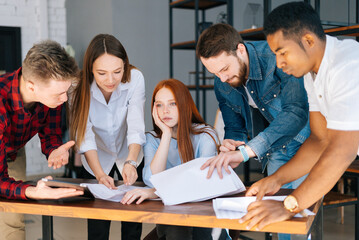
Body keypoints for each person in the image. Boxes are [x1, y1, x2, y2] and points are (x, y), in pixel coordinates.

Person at [239, 1, 359, 230]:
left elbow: (342, 150)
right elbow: (319, 140)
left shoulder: (347, 66)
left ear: (308, 41)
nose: (279, 63)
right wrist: (276, 179)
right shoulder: (312, 74)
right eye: (275, 54)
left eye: (282, 52)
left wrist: (288, 205)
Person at [196, 23, 310, 189]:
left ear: (240, 50)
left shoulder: (276, 58)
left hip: (306, 141)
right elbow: (234, 127)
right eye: (215, 73)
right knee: (278, 207)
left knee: (305, 207)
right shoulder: (222, 81)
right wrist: (231, 146)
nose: (222, 78)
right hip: (276, 146)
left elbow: (295, 113)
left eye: (225, 68)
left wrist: (246, 152)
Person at [0, 40, 83, 240]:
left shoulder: (50, 97)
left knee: (12, 217)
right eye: (59, 93)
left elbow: (50, 131)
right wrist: (32, 191)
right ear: (31, 87)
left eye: (66, 91)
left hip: (12, 150)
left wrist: (53, 149)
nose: (65, 99)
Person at [120, 79, 220, 240]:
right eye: (159, 105)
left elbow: (202, 183)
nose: (165, 111)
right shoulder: (152, 138)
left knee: (176, 223)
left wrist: (154, 193)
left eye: (172, 104)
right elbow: (152, 179)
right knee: (174, 222)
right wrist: (166, 135)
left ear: (184, 104)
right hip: (173, 223)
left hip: (205, 221)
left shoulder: (206, 135)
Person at [69, 34, 145, 240]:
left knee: (131, 219)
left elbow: (136, 126)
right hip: (96, 157)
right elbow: (84, 135)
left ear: (125, 66)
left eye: (117, 72)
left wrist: (131, 161)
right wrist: (100, 174)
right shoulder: (78, 86)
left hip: (128, 152)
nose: (110, 80)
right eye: (102, 73)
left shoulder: (135, 79)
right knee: (98, 222)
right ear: (91, 70)